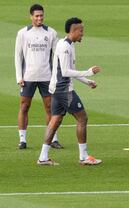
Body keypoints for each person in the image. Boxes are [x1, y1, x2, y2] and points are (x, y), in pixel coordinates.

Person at [37, 17, 102, 166]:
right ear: (73, 31)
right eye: (81, 31)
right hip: (63, 89)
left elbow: (70, 71)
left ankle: (43, 157)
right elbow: (66, 72)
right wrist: (88, 72)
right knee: (82, 118)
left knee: (55, 121)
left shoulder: (67, 44)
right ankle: (83, 156)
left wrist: (87, 82)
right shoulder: (65, 47)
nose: (83, 34)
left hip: (56, 89)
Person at [15, 4, 63, 149]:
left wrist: (56, 76)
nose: (39, 18)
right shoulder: (23, 33)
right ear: (31, 16)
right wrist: (19, 76)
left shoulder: (51, 33)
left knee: (50, 108)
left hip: (46, 77)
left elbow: (57, 57)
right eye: (36, 16)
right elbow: (18, 56)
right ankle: (22, 140)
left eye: (41, 15)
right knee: (24, 106)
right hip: (28, 76)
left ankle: (53, 139)